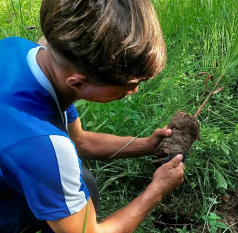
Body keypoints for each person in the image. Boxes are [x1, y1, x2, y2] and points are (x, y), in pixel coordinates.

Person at [0, 0, 184, 232]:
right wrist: (156, 191)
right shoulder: (44, 147)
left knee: (82, 182)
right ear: (77, 82)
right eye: (128, 85)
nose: (134, 90)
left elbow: (81, 142)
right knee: (75, 188)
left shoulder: (17, 49)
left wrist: (147, 145)